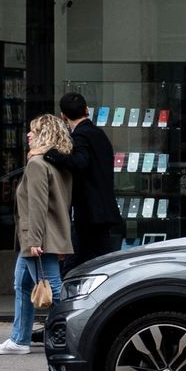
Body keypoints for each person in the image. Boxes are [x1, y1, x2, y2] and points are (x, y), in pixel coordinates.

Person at [0, 115, 74, 355]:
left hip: (38, 237)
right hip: (50, 235)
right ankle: (19, 339)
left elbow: (37, 206)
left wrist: (34, 240)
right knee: (23, 285)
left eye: (33, 131)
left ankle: (70, 338)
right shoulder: (59, 163)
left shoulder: (37, 164)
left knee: (53, 290)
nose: (28, 135)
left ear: (45, 134)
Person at [44, 92, 122, 273]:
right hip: (102, 211)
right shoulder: (99, 135)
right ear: (87, 110)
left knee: (78, 261)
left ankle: (58, 295)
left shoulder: (80, 136)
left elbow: (80, 162)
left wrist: (50, 153)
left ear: (63, 116)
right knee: (99, 259)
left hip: (90, 213)